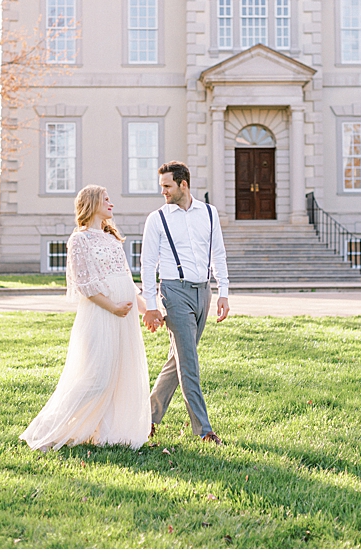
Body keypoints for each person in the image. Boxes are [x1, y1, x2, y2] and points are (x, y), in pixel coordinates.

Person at [20, 186, 152, 451]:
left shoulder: (112, 238)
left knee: (118, 377)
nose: (111, 203)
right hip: (102, 314)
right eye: (106, 199)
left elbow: (127, 279)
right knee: (97, 377)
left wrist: (147, 310)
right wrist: (112, 306)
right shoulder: (79, 240)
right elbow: (84, 284)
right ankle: (48, 430)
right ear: (92, 203)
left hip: (123, 318)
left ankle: (106, 434)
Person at [140, 160, 230, 445]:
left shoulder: (210, 213)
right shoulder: (157, 218)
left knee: (177, 359)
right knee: (189, 363)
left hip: (203, 292)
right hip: (174, 294)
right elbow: (146, 264)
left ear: (183, 184)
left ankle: (146, 418)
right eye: (161, 187)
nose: (163, 192)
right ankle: (204, 430)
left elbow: (219, 254)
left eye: (167, 186)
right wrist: (152, 304)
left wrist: (223, 292)